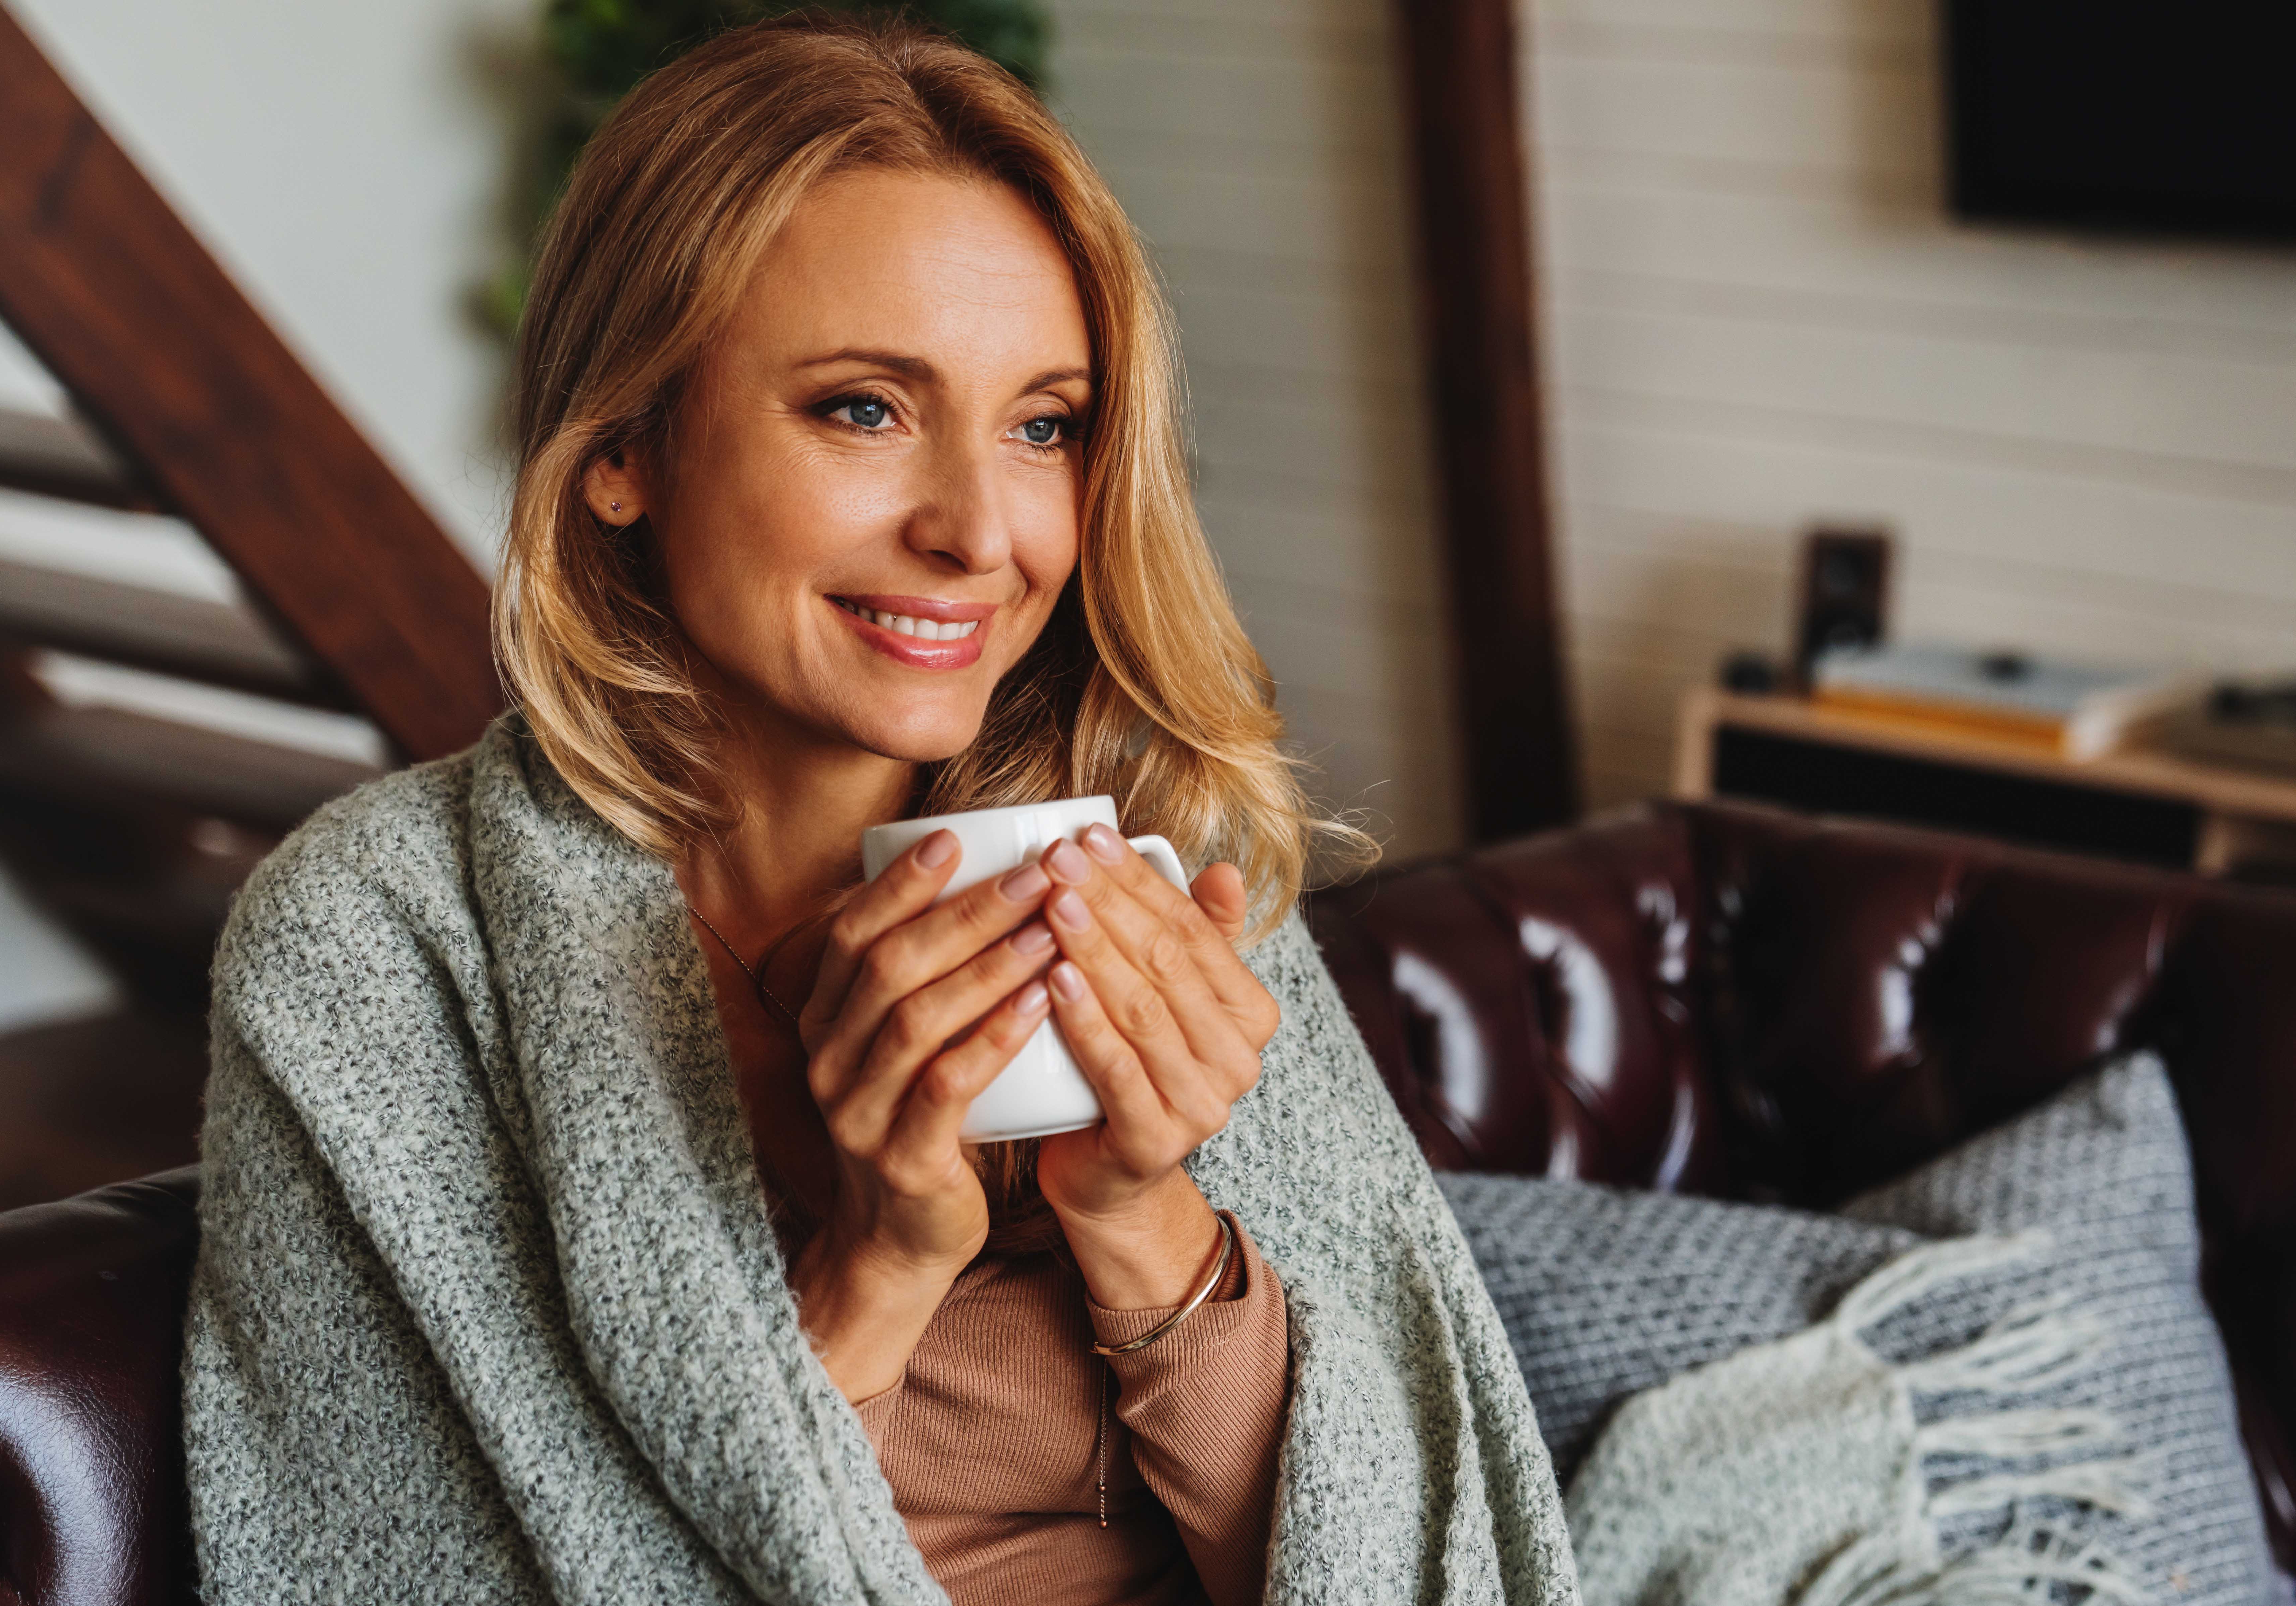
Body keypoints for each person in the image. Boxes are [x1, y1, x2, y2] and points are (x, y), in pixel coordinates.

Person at [181, 15, 1574, 1606]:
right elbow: (397, 1568)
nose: (980, 531)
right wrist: (876, 1266)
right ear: (624, 446)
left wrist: (1140, 1218)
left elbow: (1423, 1553)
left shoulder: (1146, 846)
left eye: (1043, 425)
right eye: (863, 408)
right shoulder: (381, 951)